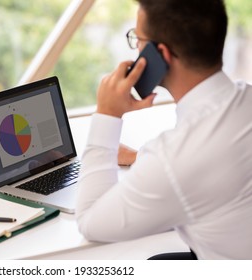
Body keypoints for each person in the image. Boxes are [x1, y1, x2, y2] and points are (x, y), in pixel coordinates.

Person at [76, 0, 252, 260]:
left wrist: (107, 114)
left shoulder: (175, 159)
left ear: (162, 55)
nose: (136, 47)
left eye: (138, 39)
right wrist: (142, 160)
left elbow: (90, 222)